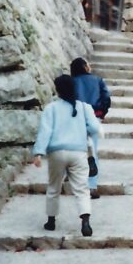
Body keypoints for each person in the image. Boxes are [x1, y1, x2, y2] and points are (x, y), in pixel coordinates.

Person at [32, 74, 100, 237]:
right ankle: (85, 222)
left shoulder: (51, 108)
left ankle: (51, 221)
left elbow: (45, 131)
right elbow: (95, 128)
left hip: (56, 153)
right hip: (78, 152)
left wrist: (38, 152)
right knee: (82, 189)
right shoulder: (84, 107)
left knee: (54, 187)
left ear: (58, 90)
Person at [70, 56, 111, 200]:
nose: (90, 66)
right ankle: (92, 186)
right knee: (92, 151)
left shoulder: (71, 82)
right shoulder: (97, 80)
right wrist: (102, 113)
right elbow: (106, 98)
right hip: (94, 117)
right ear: (84, 67)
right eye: (87, 64)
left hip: (75, 118)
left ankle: (75, 182)